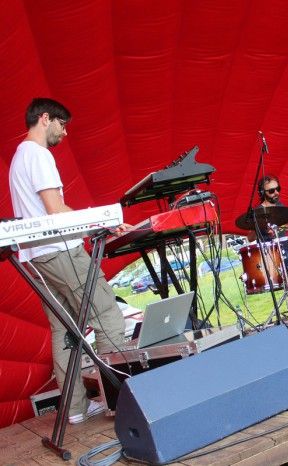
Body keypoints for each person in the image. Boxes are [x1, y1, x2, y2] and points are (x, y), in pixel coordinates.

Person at [9, 98, 127, 424]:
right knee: (107, 315)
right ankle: (122, 401)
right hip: (61, 250)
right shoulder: (38, 155)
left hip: (37, 257)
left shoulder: (18, 158)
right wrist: (100, 222)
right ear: (45, 118)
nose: (65, 132)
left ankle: (74, 409)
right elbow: (55, 209)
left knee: (64, 331)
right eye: (63, 125)